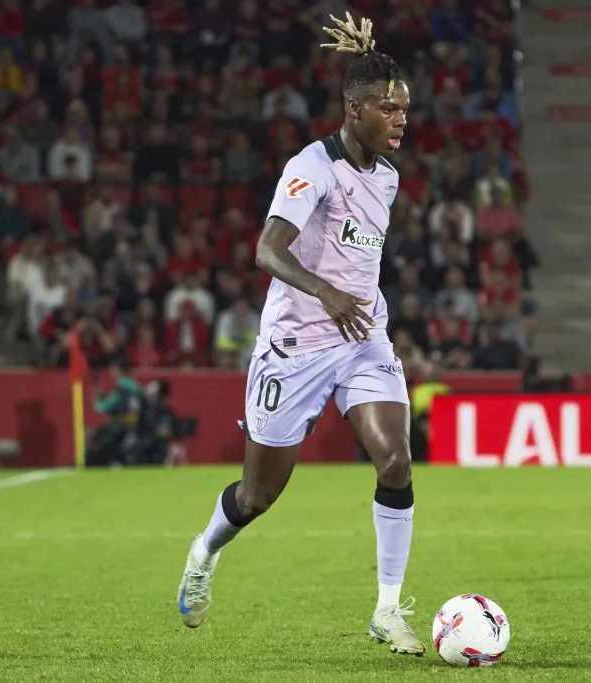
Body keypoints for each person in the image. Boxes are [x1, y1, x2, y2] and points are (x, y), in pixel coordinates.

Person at [177, 13, 423, 656]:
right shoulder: (313, 166)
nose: (401, 119)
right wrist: (326, 292)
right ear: (354, 108)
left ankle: (388, 609)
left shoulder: (388, 176)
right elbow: (267, 250)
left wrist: (354, 303)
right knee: (257, 496)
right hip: (296, 347)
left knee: (395, 460)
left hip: (363, 338)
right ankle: (205, 550)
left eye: (404, 109)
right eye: (389, 109)